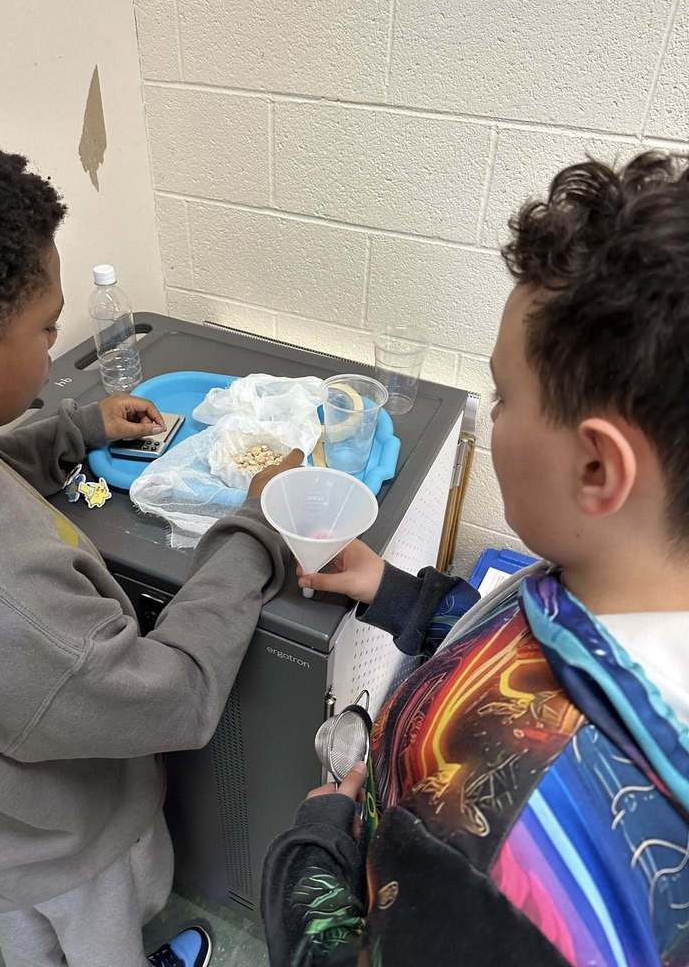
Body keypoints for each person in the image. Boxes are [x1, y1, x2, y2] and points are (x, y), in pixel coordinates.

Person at [262, 152, 689, 967]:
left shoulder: (496, 880)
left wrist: (313, 845)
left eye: (502, 397)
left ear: (597, 469)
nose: (494, 418)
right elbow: (542, 639)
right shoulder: (624, 576)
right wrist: (398, 595)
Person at [0, 120, 301, 967]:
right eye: (48, 332)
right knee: (99, 939)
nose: (57, 348)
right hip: (65, 845)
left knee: (25, 935)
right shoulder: (7, 604)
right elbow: (174, 695)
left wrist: (74, 429)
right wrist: (258, 525)